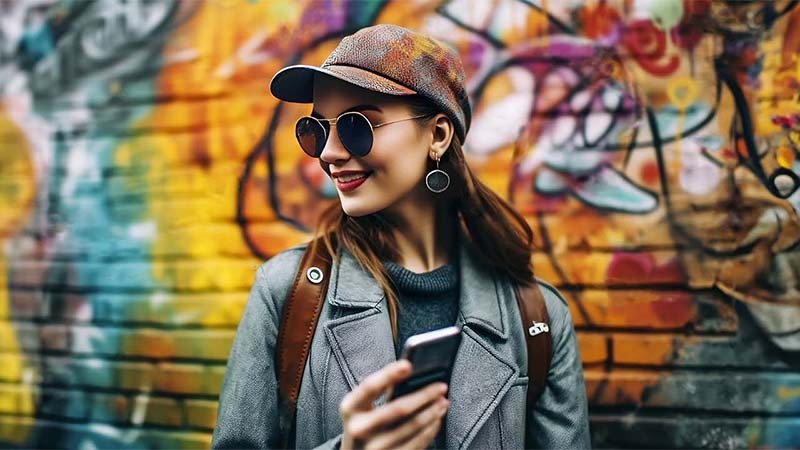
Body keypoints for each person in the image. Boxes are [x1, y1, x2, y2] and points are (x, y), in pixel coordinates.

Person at [211, 24, 590, 450]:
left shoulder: (536, 319)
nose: (329, 153)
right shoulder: (286, 293)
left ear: (439, 135)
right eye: (316, 130)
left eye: (357, 125)